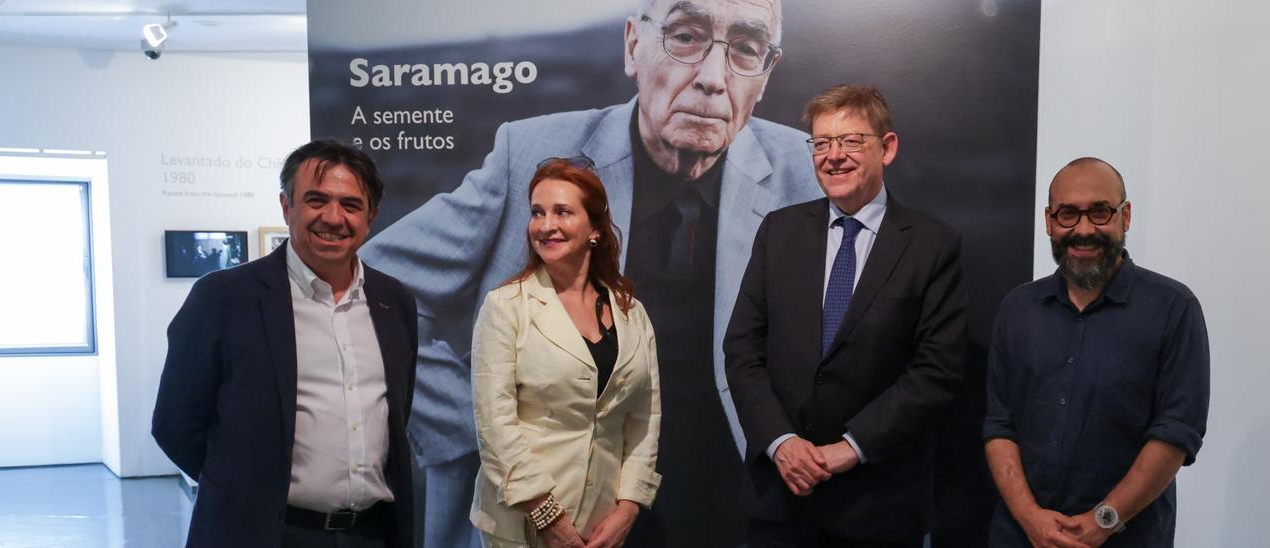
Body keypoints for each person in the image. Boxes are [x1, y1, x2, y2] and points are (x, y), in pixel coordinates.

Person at [358, 0, 816, 544]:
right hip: (550, 506)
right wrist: (476, 431)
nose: (714, 80)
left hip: (734, 510)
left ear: (766, 74)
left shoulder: (807, 171)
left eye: (745, 49)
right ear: (632, 46)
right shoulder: (531, 153)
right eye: (686, 37)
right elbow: (373, 287)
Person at [724, 84, 967, 546]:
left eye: (851, 141)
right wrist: (782, 443)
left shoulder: (933, 246)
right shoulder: (779, 231)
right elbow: (741, 350)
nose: (834, 156)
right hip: (781, 500)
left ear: (887, 148)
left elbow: (936, 370)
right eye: (821, 143)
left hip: (879, 505)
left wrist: (850, 449)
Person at [152, 140, 419, 547]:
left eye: (351, 205)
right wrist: (243, 491)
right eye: (316, 200)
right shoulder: (223, 298)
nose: (334, 217)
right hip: (263, 534)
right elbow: (175, 425)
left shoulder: (393, 301)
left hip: (372, 534)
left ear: (372, 217)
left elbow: (396, 410)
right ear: (286, 206)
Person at [983, 158, 1209, 548]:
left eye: (1100, 212)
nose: (1084, 230)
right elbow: (1000, 425)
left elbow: (1177, 433)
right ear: (1050, 222)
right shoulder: (1017, 308)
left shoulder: (1174, 308)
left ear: (1126, 216)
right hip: (1020, 537)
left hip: (1127, 538)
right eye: (1068, 214)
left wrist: (1102, 522)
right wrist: (1030, 518)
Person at [469, 158, 661, 548]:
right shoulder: (506, 306)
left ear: (595, 229)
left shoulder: (631, 312)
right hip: (521, 524)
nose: (546, 225)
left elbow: (645, 417)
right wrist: (546, 517)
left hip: (602, 526)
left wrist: (629, 506)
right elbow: (494, 424)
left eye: (562, 212)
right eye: (537, 213)